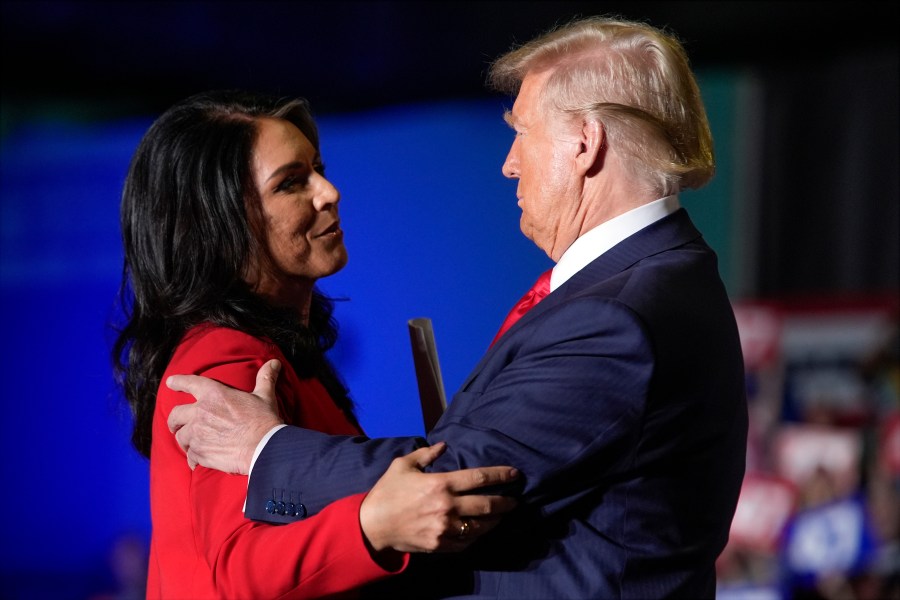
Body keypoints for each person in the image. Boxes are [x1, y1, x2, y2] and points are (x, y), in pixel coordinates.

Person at [167, 16, 749, 599]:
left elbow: (455, 479)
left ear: (584, 142)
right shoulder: (662, 280)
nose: (509, 163)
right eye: (293, 181)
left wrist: (264, 450)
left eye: (521, 132)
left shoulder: (617, 314)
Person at [111, 89, 519, 599]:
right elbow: (237, 572)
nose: (329, 192)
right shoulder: (224, 356)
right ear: (219, 224)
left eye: (318, 169)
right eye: (291, 183)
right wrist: (373, 525)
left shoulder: (278, 350)